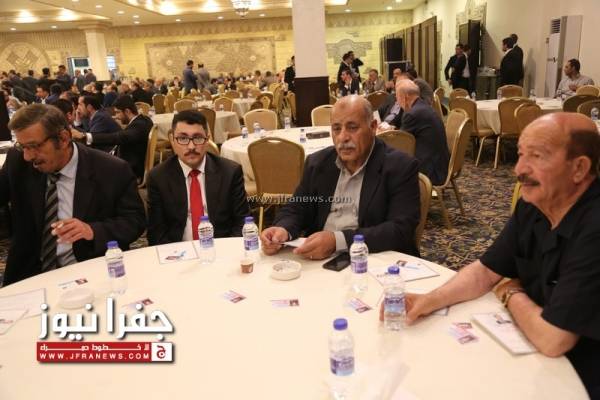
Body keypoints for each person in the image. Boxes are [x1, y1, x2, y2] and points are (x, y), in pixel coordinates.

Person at [398, 113, 600, 398]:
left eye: (537, 156)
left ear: (579, 168)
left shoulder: (593, 229)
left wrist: (510, 292)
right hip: (535, 351)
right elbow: (485, 271)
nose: (519, 169)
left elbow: (553, 339)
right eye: (520, 154)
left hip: (581, 376)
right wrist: (428, 300)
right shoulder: (535, 204)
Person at [260, 95, 420, 260]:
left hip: (373, 259)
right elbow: (296, 208)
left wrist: (338, 241)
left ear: (373, 127)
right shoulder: (318, 163)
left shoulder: (400, 166)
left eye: (352, 127)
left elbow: (400, 229)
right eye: (336, 129)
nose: (343, 137)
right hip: (319, 258)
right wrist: (283, 229)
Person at [1, 104, 146, 285]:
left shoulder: (111, 170)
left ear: (63, 138)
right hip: (30, 272)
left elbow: (134, 221)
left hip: (88, 269)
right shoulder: (18, 161)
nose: (27, 156)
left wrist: (92, 230)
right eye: (22, 147)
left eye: (33, 146)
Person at [146, 110, 249, 245]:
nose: (191, 146)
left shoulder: (230, 172)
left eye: (198, 138)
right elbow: (156, 233)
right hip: (177, 250)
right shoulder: (158, 177)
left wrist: (225, 251)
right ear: (172, 140)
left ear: (207, 139)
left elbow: (242, 223)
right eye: (183, 138)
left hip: (221, 247)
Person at [73, 95, 151, 180]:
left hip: (129, 169)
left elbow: (120, 137)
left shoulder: (139, 125)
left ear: (127, 111)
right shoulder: (143, 120)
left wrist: (85, 136)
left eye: (118, 112)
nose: (116, 116)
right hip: (122, 161)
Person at [397, 80, 449, 186]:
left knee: (386, 164)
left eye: (397, 97)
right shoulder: (423, 107)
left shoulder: (412, 114)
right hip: (439, 164)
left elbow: (400, 144)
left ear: (405, 97)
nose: (397, 102)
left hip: (430, 172)